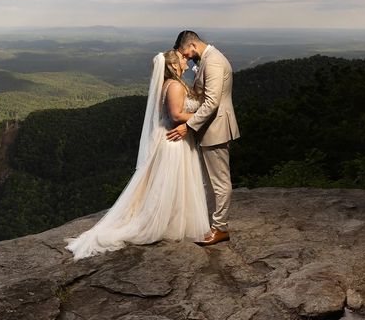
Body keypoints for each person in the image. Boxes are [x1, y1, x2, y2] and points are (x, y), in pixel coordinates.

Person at [65, 50, 210, 260]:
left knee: (170, 183)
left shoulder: (169, 84)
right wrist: (201, 115)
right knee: (171, 182)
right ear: (174, 65)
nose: (186, 61)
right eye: (182, 59)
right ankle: (166, 222)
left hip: (169, 137)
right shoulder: (176, 86)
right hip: (173, 140)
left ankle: (170, 219)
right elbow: (176, 114)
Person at [167, 30, 240, 246]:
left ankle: (220, 228)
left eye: (185, 54)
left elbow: (212, 102)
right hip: (209, 128)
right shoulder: (208, 59)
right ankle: (213, 224)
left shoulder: (214, 61)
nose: (186, 59)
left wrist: (187, 126)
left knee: (219, 181)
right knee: (210, 181)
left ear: (191, 45)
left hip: (216, 128)